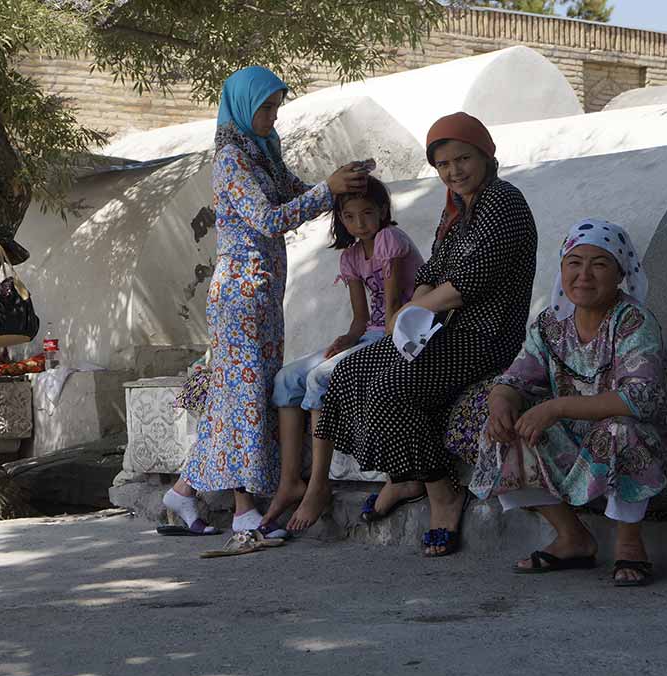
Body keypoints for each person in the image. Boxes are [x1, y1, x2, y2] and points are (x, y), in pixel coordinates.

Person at [313, 112, 538, 556]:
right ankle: (404, 476)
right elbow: (434, 267)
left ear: (485, 155)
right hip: (441, 330)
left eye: (463, 158)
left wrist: (415, 309)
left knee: (393, 389)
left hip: (484, 334)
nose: (454, 171)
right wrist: (410, 309)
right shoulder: (458, 207)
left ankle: (442, 493)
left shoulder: (503, 202)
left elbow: (474, 279)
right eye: (443, 164)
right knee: (348, 375)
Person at [159, 65, 368, 540]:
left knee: (235, 395)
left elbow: (298, 194)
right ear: (242, 107)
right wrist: (327, 191)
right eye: (266, 108)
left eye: (276, 108)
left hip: (264, 292)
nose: (273, 117)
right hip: (240, 294)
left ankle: (183, 491)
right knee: (247, 397)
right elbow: (269, 220)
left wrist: (345, 187)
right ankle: (244, 509)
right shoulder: (231, 159)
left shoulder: (263, 152)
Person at [470, 219, 667, 586]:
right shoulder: (550, 324)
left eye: (599, 264)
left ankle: (629, 544)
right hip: (584, 462)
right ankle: (572, 537)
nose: (584, 275)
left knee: (618, 430)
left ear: (620, 273)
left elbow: (639, 398)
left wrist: (556, 407)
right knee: (505, 428)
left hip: (661, 466)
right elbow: (515, 379)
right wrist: (501, 401)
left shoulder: (633, 322)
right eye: (574, 263)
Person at [261, 176, 424, 533]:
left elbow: (393, 311)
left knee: (321, 377)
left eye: (367, 213)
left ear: (383, 211)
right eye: (349, 216)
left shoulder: (390, 239)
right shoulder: (350, 257)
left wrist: (352, 353)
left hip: (401, 334)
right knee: (287, 378)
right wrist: (345, 340)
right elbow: (361, 319)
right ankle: (290, 481)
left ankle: (318, 484)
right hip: (370, 335)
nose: (360, 223)